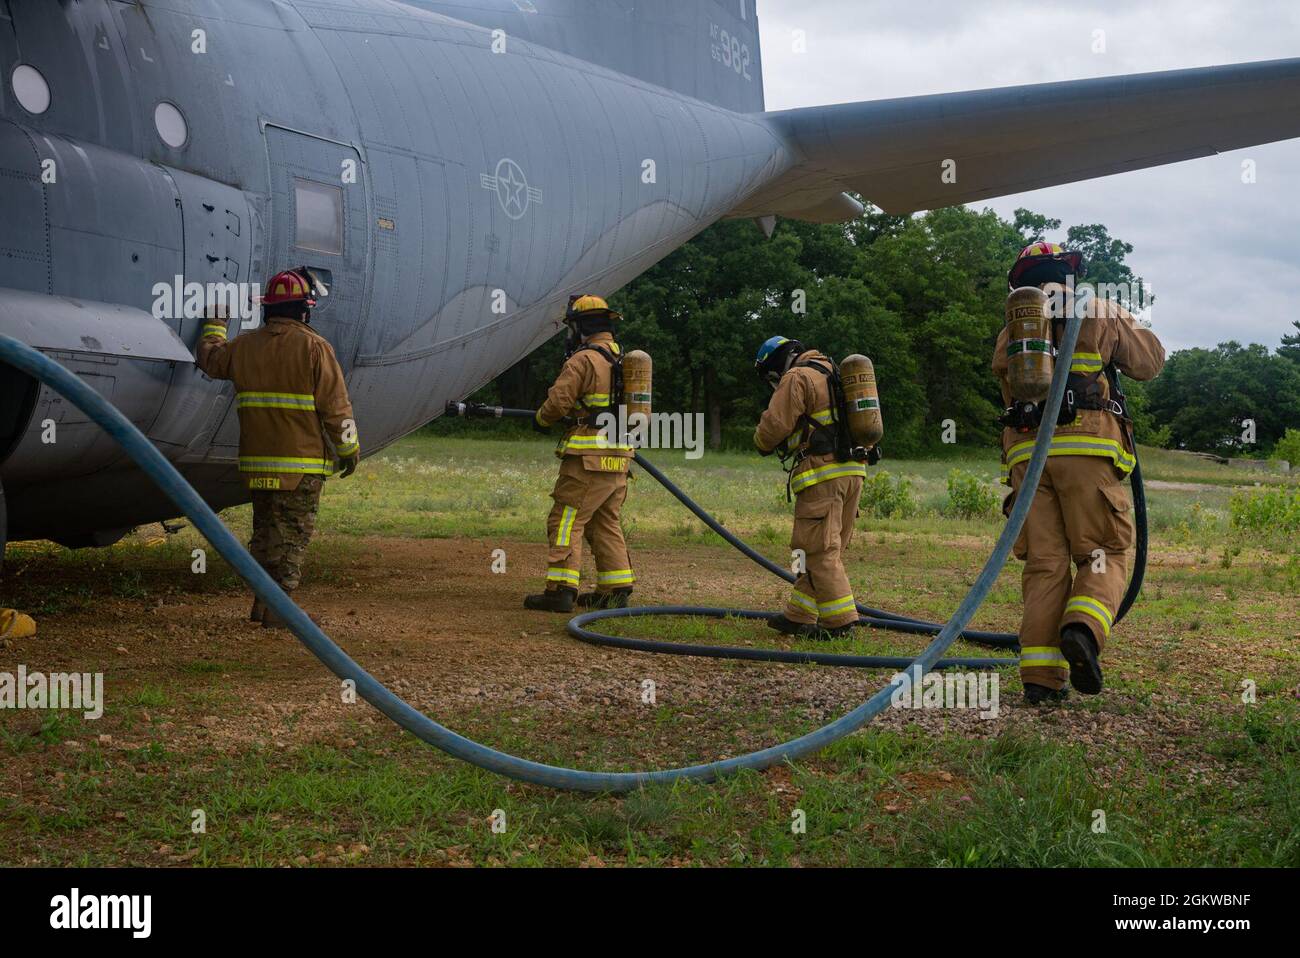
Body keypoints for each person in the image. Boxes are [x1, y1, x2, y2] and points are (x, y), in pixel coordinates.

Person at [993, 243, 1165, 703]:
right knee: (1103, 552)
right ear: (1071, 272)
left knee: (1045, 565)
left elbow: (1005, 382)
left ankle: (1040, 681)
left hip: (1027, 457)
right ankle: (1083, 631)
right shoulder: (1099, 309)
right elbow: (1150, 361)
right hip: (1086, 448)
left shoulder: (1014, 328)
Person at [196, 268, 360, 628]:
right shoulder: (315, 348)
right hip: (299, 468)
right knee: (290, 540)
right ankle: (280, 612)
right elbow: (337, 407)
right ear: (305, 310)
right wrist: (348, 450)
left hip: (257, 466)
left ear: (268, 309)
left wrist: (215, 323)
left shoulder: (245, 347)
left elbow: (210, 359)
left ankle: (262, 605)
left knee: (266, 535)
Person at [524, 295, 636, 613]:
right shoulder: (624, 358)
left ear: (582, 327)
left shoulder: (583, 359)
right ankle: (615, 588)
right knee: (605, 521)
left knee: (565, 519)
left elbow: (559, 402)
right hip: (620, 455)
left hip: (588, 457)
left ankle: (560, 589)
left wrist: (541, 419)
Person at [753, 336, 867, 639]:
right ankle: (799, 614)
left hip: (822, 474)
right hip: (853, 472)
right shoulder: (832, 371)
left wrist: (760, 441)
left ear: (776, 366)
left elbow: (775, 424)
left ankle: (841, 624)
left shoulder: (797, 376)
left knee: (818, 550)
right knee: (817, 548)